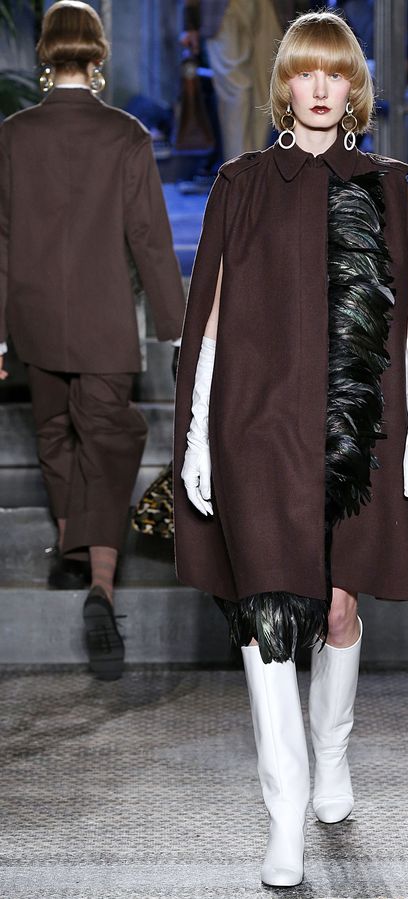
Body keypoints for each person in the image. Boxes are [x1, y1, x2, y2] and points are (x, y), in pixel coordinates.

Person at [174, 10, 408, 887]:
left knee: (335, 611)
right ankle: (284, 809)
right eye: (304, 71)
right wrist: (196, 435)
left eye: (336, 73)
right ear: (284, 84)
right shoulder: (240, 184)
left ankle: (332, 754)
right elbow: (208, 317)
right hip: (254, 425)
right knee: (265, 617)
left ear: (354, 87)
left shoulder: (387, 186)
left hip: (356, 430)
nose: (321, 88)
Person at [0, 1, 185, 681]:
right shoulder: (125, 135)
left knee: (55, 432)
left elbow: (2, 240)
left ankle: (69, 549)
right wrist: (178, 328)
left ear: (45, 55)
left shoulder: (13, 135)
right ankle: (100, 583)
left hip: (36, 317)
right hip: (104, 317)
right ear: (98, 55)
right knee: (107, 437)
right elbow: (150, 239)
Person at [181, 0, 294, 162]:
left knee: (264, 95)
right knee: (237, 95)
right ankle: (240, 172)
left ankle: (250, 170)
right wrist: (189, 21)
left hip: (273, 8)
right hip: (223, 9)